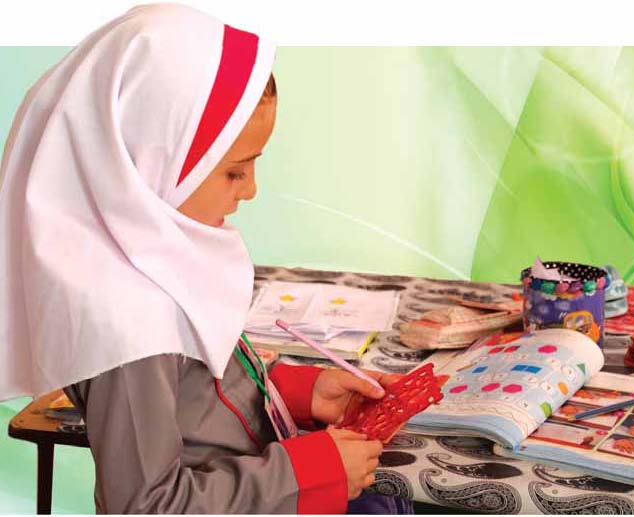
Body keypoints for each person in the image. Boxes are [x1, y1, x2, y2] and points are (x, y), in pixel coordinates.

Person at [0, 4, 413, 514]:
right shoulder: (131, 326)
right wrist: (308, 474)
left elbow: (194, 395)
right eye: (235, 172)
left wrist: (296, 392)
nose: (251, 190)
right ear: (148, 162)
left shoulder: (156, 259)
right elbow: (144, 506)